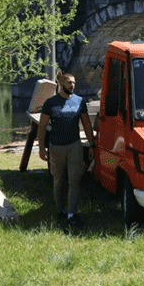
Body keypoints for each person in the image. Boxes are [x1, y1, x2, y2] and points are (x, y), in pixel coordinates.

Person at [37, 70, 96, 227]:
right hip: (56, 147)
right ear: (61, 84)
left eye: (74, 83)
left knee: (74, 180)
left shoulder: (79, 101)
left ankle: (71, 214)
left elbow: (87, 124)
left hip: (74, 146)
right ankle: (60, 210)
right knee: (58, 180)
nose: (73, 85)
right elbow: (42, 127)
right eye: (69, 82)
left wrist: (91, 144)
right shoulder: (50, 103)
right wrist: (42, 148)